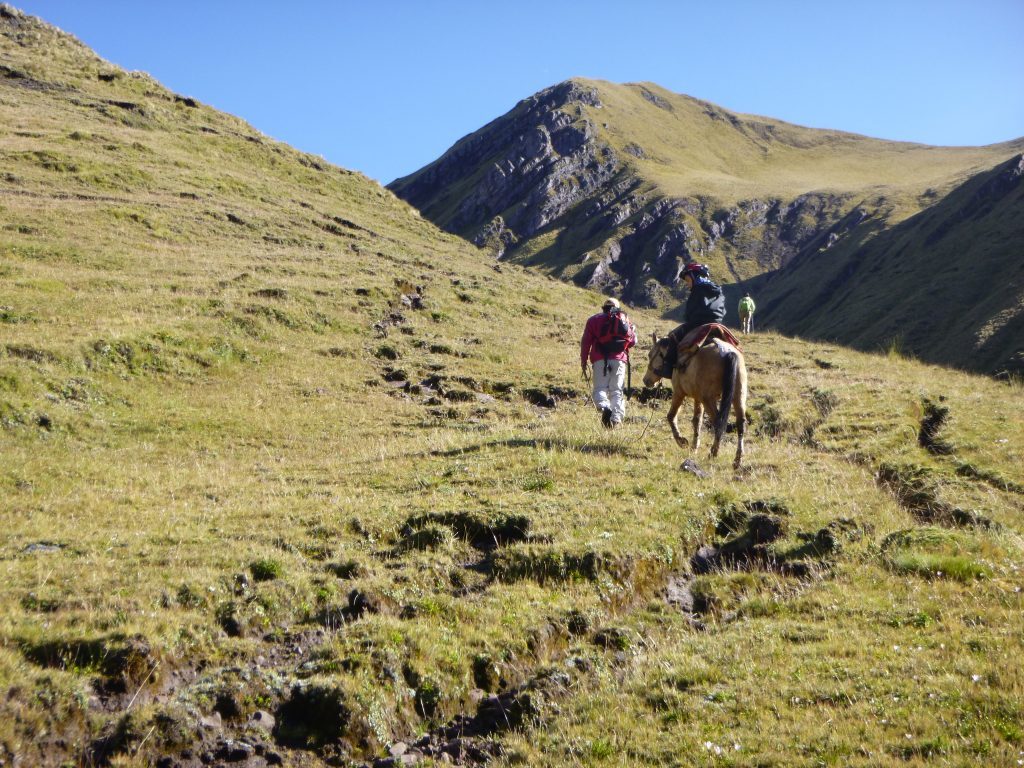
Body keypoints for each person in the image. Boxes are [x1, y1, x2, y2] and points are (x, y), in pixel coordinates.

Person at [580, 297, 637, 428]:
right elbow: (633, 342)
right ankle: (616, 419)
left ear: (603, 307)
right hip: (619, 360)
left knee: (600, 389)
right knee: (616, 391)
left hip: (599, 359)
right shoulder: (624, 320)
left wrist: (583, 361)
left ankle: (604, 407)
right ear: (618, 308)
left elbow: (586, 342)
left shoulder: (593, 320)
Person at [663, 263, 726, 371]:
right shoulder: (718, 290)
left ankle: (668, 368)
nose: (687, 284)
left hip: (698, 323)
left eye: (688, 280)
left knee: (673, 336)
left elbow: (690, 313)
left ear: (695, 277)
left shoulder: (697, 290)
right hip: (717, 324)